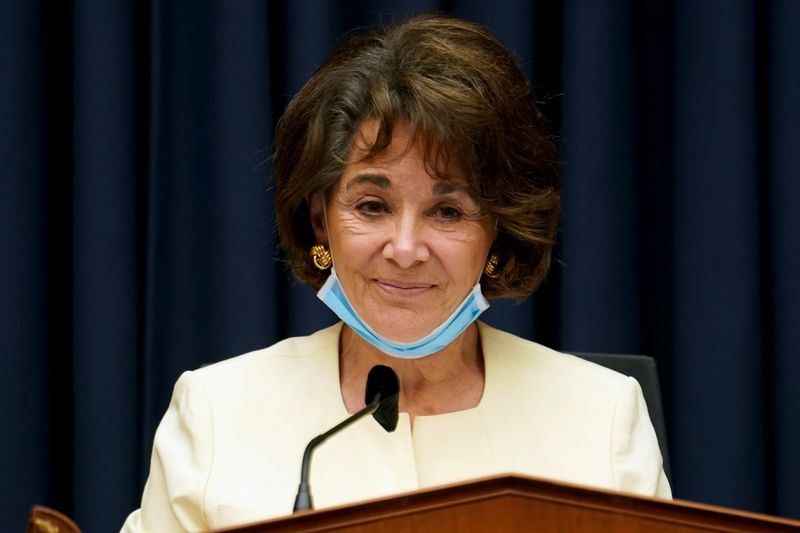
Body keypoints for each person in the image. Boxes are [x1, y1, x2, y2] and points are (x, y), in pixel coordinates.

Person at [122, 13, 670, 532]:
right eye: (371, 206)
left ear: (500, 231)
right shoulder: (217, 410)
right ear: (320, 220)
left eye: (448, 211)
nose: (405, 249)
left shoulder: (600, 418)